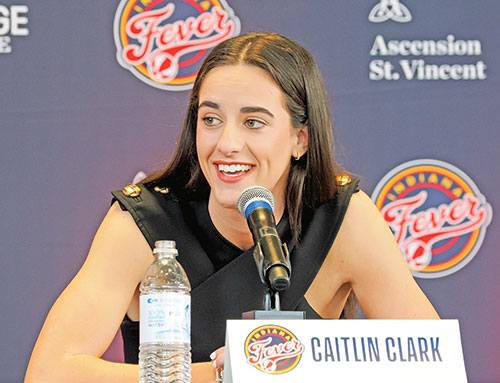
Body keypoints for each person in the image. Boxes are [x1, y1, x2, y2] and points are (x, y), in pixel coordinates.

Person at [25, 32, 439, 383]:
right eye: (211, 119)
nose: (226, 144)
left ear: (301, 139)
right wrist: (225, 372)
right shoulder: (144, 223)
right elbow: (50, 371)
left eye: (253, 122)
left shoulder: (341, 217)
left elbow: (431, 363)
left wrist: (305, 363)